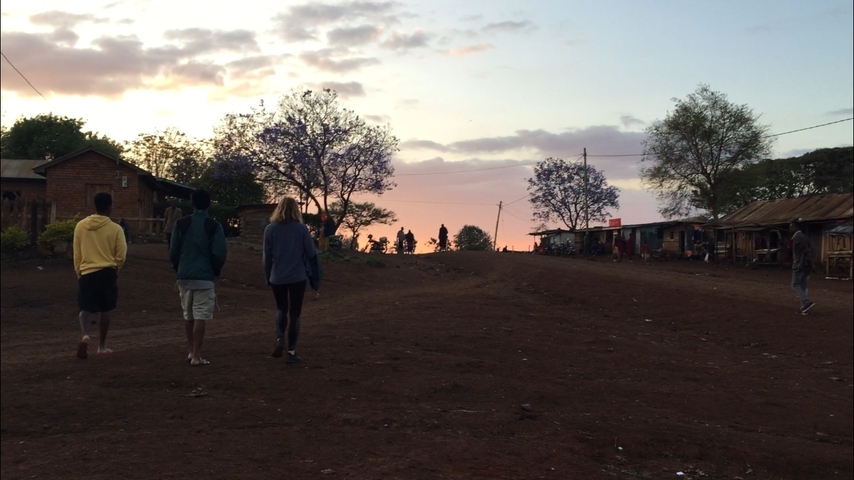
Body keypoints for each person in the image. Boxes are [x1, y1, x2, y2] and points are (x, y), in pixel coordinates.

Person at [170, 190, 227, 366]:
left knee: (188, 315)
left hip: (184, 274)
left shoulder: (181, 223)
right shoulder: (214, 226)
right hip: (204, 276)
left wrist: (178, 268)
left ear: (192, 203)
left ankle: (189, 351)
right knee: (200, 315)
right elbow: (219, 253)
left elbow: (173, 251)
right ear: (209, 204)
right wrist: (215, 270)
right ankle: (196, 355)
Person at [264, 197, 318, 364]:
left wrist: (268, 276)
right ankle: (292, 352)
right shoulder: (301, 229)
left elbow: (267, 257)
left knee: (281, 308)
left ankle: (280, 338)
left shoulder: (270, 229)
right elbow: (311, 253)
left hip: (277, 276)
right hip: (297, 276)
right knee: (295, 314)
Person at [73, 192, 127, 359]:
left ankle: (85, 335)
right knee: (105, 309)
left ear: (94, 206)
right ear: (110, 207)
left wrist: (79, 272)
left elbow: (77, 253)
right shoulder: (116, 228)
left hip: (87, 271)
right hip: (107, 272)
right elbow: (121, 254)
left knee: (85, 308)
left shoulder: (81, 226)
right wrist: (116, 269)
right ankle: (102, 346)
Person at [790, 221, 816, 315]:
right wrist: (811, 263)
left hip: (800, 265)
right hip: (807, 265)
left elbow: (805, 251)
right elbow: (812, 250)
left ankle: (806, 302)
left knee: (795, 284)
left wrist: (802, 261)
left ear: (795, 227)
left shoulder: (798, 237)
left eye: (791, 226)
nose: (790, 229)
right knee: (803, 285)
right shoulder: (805, 237)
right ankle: (803, 308)